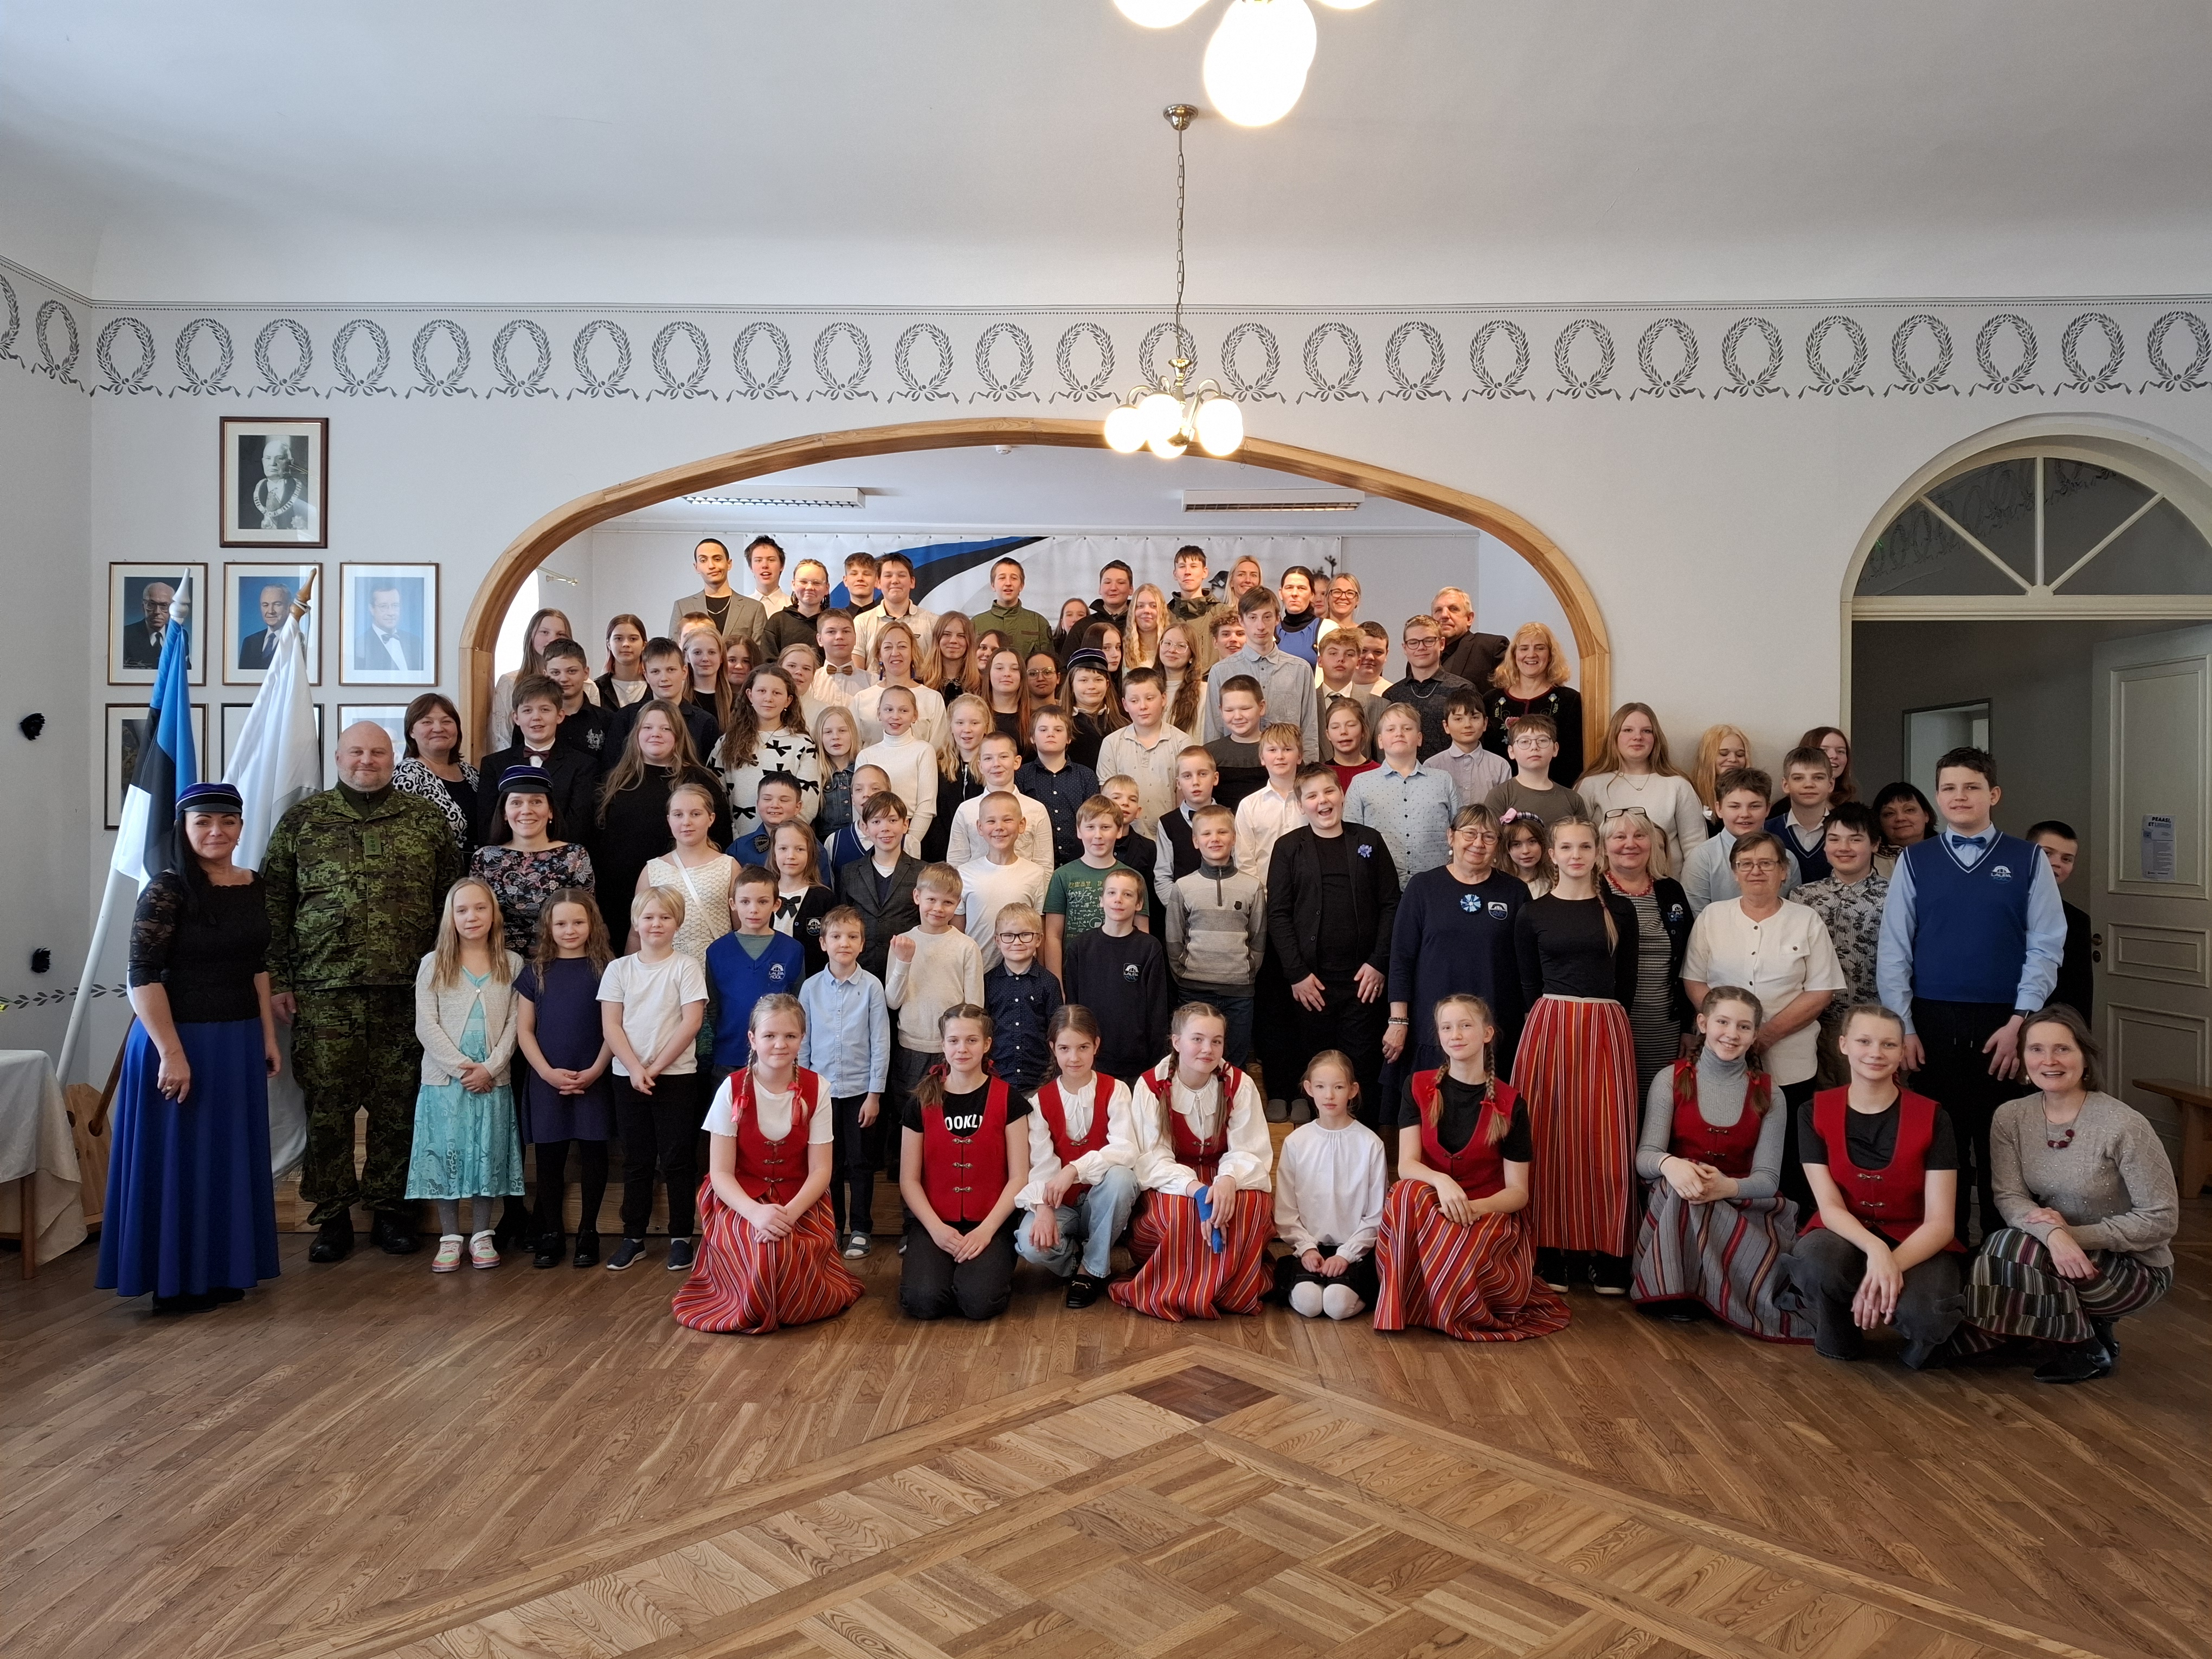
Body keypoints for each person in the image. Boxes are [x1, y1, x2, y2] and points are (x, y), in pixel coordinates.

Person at [265, 723, 465, 1263]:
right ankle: (332, 1217)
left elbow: (450, 905)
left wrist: (445, 981)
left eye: (377, 752)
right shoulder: (303, 821)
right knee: (327, 1109)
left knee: (398, 1108)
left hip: (406, 992)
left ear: (393, 757)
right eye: (356, 751)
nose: (366, 761)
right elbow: (275, 906)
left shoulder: (426, 820)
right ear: (337, 757)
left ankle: (391, 1212)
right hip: (323, 992)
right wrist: (279, 980)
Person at [97, 782, 281, 1310]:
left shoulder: (253, 884)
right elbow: (142, 974)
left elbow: (257, 966)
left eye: (227, 821)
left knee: (224, 1160)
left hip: (237, 1041)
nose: (216, 831)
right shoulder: (167, 888)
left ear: (240, 828)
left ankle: (221, 1271)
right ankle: (174, 1282)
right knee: (178, 1162)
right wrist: (172, 1054)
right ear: (184, 828)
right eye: (204, 822)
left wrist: (267, 1037)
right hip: (177, 1043)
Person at [1876, 747, 2065, 1245]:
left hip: (2006, 1023)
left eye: (1971, 787)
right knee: (1941, 1141)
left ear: (1993, 794)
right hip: (1930, 1022)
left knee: (2004, 1140)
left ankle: (2005, 1253)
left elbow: (2046, 946)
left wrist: (2021, 1021)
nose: (1959, 796)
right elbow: (1894, 949)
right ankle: (1949, 1247)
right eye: (1949, 788)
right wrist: (1904, 1027)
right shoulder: (1915, 861)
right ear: (1938, 798)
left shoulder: (2028, 859)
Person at [1954, 1006, 2177, 1383]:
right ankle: (2034, 1333)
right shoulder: (2010, 1116)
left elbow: (2161, 1220)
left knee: (2012, 1249)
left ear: (2085, 1058)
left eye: (2062, 1049)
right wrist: (2055, 1235)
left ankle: (2083, 1347)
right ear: (2023, 1060)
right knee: (2001, 1244)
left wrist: (2074, 1236)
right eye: (2036, 1049)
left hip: (2133, 1267)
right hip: (2057, 1251)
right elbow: (2009, 1197)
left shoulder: (2124, 1124)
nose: (2049, 1061)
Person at [1774, 1004, 1963, 1368]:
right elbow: (1829, 1208)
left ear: (1902, 1051)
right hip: (1844, 1232)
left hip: (1916, 1237)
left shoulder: (1934, 1117)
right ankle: (1838, 1327)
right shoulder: (1812, 1112)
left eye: (1889, 1045)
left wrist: (1888, 1266)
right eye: (1864, 1041)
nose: (1876, 1053)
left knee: (1928, 1315)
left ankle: (1913, 1340)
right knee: (1815, 1261)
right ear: (1843, 1044)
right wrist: (1876, 1249)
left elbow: (1941, 1224)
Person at [1374, 995, 1570, 1342]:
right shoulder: (1417, 1086)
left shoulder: (1511, 1103)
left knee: (1456, 1254)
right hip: (1432, 1206)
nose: (1456, 1035)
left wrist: (1473, 1208)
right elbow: (1406, 1165)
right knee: (1405, 1192)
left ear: (1487, 1033)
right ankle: (1404, 1305)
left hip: (1487, 1214)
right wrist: (1442, 1181)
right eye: (1447, 1027)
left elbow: (1518, 1193)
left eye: (1465, 1025)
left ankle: (1447, 1309)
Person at [673, 994, 867, 1334]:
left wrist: (788, 1215)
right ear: (752, 1039)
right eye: (770, 1035)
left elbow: (821, 1171)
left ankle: (795, 1304)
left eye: (790, 1036)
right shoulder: (731, 1089)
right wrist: (756, 1214)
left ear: (802, 1038)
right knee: (762, 1250)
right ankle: (745, 1305)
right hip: (740, 1198)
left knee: (785, 1250)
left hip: (799, 1198)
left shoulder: (818, 1088)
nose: (780, 1044)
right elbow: (720, 1173)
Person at [1630, 987, 1810, 1340]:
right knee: (1684, 1189)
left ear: (1755, 1035)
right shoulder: (1670, 1079)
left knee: (1700, 1197)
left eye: (1744, 1027)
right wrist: (1670, 1164)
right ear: (1703, 1024)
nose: (1732, 1034)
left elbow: (1768, 1179)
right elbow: (1645, 1156)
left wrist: (1726, 1187)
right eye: (1723, 1022)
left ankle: (1709, 1290)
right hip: (1677, 1202)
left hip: (1743, 1202)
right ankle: (1675, 1289)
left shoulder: (1770, 1094)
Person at [1683, 828, 1845, 1213]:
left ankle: (1787, 1229)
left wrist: (1765, 1036)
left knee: (1789, 1155)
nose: (1756, 871)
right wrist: (1729, 1034)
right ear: (1734, 872)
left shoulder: (1806, 920)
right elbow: (1695, 981)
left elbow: (1821, 990)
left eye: (1766, 863)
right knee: (1728, 1145)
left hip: (1791, 1060)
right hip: (1722, 1062)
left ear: (1784, 871)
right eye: (1746, 864)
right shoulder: (1712, 918)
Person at [1512, 815, 1639, 1295]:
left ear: (1598, 852)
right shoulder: (1533, 912)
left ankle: (1607, 1253)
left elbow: (1627, 982)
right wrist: (1555, 1021)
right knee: (1548, 1137)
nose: (1576, 856)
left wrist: (1603, 1021)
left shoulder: (1620, 910)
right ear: (1552, 854)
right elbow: (1528, 981)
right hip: (1549, 1028)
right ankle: (1550, 1251)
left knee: (1608, 1140)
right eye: (1566, 848)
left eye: (1585, 847)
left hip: (1606, 1026)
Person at [1109, 1002, 1275, 1321]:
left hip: (1225, 1173)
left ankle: (1232, 1291)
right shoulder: (1151, 1085)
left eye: (1216, 1041)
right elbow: (1151, 1157)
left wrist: (1228, 1180)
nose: (1207, 1049)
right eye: (1197, 1039)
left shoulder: (1238, 1084)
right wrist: (1196, 1190)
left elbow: (1250, 1149)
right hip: (1172, 1179)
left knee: (1253, 1205)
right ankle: (1182, 1292)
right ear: (1176, 1041)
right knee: (1181, 1214)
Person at [1266, 766, 1399, 1127]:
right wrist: (1296, 974)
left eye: (1328, 792)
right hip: (1312, 984)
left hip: (1363, 981)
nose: (1322, 801)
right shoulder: (1288, 848)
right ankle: (1321, 1139)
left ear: (1342, 795)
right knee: (1318, 1064)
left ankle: (1364, 1141)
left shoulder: (1369, 840)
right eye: (1312, 796)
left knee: (1361, 1064)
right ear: (1301, 805)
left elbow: (1391, 904)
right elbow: (1278, 914)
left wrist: (1379, 962)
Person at [405, 878, 526, 1274]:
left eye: (480, 908)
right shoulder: (433, 962)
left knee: (486, 1153)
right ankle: (450, 1236)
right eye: (462, 910)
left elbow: (515, 1024)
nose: (471, 917)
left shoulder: (512, 963)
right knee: (448, 1153)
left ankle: (481, 1234)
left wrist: (490, 1068)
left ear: (494, 914)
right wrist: (462, 1069)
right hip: (445, 1080)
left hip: (492, 1078)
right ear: (451, 917)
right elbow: (426, 1025)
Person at [599, 887, 710, 1274]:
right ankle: (633, 1237)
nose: (656, 924)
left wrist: (656, 1067)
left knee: (678, 1159)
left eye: (665, 917)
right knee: (636, 1160)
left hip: (676, 1077)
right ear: (636, 922)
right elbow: (611, 1025)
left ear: (677, 923)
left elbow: (691, 1022)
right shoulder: (619, 970)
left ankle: (681, 1237)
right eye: (648, 917)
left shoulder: (686, 967)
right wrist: (635, 1068)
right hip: (628, 1078)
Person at [898, 1005, 1030, 1321]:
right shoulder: (921, 1101)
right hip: (935, 1222)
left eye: (972, 1040)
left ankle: (978, 1277)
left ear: (986, 1045)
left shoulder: (1009, 1099)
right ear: (942, 1045)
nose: (962, 1049)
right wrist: (936, 1230)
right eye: (954, 1041)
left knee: (979, 1303)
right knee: (923, 1301)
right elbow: (909, 1180)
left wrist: (986, 1231)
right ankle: (944, 1274)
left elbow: (1019, 1177)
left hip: (990, 1223)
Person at [1387, 804, 1530, 1083]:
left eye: (1489, 837)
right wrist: (1398, 1020)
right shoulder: (1422, 887)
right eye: (1470, 834)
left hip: (1495, 1027)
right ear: (1451, 836)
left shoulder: (1515, 892)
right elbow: (1401, 959)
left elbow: (1527, 964)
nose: (1478, 843)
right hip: (1433, 1025)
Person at [514, 891, 615, 1269]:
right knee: (549, 1159)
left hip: (595, 1075)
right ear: (548, 927)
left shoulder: (608, 969)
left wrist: (597, 1069)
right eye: (561, 923)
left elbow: (616, 1027)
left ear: (593, 925)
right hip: (547, 1079)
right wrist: (546, 1073)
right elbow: (525, 1030)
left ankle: (589, 1232)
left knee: (594, 1155)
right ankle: (551, 1232)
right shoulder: (535, 972)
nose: (569, 930)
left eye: (578, 922)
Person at [1014, 1006, 1139, 1308]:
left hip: (1102, 1201)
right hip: (1063, 1204)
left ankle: (1090, 1270)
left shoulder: (1117, 1090)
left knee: (1122, 1178)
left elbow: (1125, 1149)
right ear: (1053, 1049)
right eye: (1065, 1049)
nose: (1074, 1058)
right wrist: (1043, 1208)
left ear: (1096, 1045)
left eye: (1083, 1047)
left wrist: (1073, 1169)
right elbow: (1041, 1166)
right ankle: (1076, 1260)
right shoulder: (1039, 1102)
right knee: (1030, 1243)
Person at [798, 906, 891, 1257]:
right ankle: (833, 1226)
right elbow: (803, 1044)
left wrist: (875, 1095)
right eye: (836, 937)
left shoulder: (872, 987)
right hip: (821, 1094)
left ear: (862, 944)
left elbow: (880, 1043)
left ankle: (861, 1228)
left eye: (853, 937)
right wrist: (804, 1092)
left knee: (861, 1162)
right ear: (823, 943)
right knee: (829, 1165)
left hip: (860, 1093)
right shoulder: (810, 988)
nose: (844, 943)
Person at [1270, 1050, 1387, 1320]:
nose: (1329, 1096)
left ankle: (1351, 1287)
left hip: (1355, 1251)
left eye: (1338, 1087)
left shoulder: (1370, 1144)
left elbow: (1376, 1215)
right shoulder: (1297, 1142)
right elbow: (1286, 1210)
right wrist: (1306, 1248)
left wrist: (1346, 1255)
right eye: (1321, 1087)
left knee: (1336, 1305)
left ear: (1353, 1090)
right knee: (1310, 1303)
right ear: (1309, 1089)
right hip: (1310, 1250)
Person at [592, 701, 731, 922]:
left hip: (683, 899)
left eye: (666, 728)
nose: (655, 734)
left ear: (678, 735)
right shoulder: (616, 781)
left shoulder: (701, 781)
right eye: (647, 727)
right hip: (619, 899)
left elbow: (721, 838)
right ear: (636, 734)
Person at [884, 864, 987, 1146]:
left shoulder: (966, 947)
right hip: (911, 1048)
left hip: (951, 1051)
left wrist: (965, 1045)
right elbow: (892, 1001)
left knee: (948, 1118)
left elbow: (974, 1009)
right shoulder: (902, 943)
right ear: (917, 896)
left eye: (948, 902)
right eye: (931, 899)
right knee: (910, 1116)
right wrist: (904, 962)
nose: (938, 909)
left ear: (958, 904)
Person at [1793, 802, 1889, 1088]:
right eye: (1834, 839)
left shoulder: (1895, 896)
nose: (1843, 848)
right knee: (1816, 1105)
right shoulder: (1803, 897)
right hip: (1810, 1024)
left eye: (1855, 839)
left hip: (1873, 1025)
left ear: (1875, 844)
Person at [1165, 803, 1266, 1070]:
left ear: (1234, 838)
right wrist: (1184, 973)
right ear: (1196, 841)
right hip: (1194, 990)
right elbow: (1174, 939)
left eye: (1222, 832)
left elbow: (1258, 937)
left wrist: (1246, 972)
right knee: (1194, 1062)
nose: (1215, 839)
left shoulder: (1252, 887)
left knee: (1235, 1064)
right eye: (1207, 834)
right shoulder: (1183, 887)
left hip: (1239, 993)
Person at [1062, 867, 1173, 1083]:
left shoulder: (1150, 948)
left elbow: (1157, 1012)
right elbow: (1073, 1009)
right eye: (1112, 893)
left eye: (1127, 894)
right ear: (1101, 900)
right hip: (1091, 1061)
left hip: (1136, 1063)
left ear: (1139, 904)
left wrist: (1156, 1065)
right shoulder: (1081, 947)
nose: (1118, 900)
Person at [471, 768, 595, 955]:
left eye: (536, 802)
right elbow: (475, 919)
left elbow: (586, 919)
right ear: (504, 813)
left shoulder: (575, 856)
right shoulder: (485, 859)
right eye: (516, 802)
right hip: (499, 960)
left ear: (550, 811)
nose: (526, 810)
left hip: (559, 959)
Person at [704, 865, 806, 1090]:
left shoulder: (792, 950)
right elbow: (713, 1008)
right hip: (729, 1056)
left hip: (777, 1057)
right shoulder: (717, 951)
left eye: (762, 902)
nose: (753, 910)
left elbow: (799, 1005)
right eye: (745, 902)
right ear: (733, 904)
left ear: (776, 904)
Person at [475, 677, 600, 853]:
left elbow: (579, 826)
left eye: (545, 710)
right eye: (527, 710)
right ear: (516, 718)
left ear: (560, 716)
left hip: (563, 858)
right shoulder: (494, 765)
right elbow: (488, 824)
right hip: (505, 857)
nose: (536, 717)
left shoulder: (584, 765)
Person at [1575, 703, 1708, 867]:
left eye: (1647, 731)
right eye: (1628, 730)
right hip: (1605, 880)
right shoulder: (1591, 785)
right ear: (1614, 736)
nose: (1638, 737)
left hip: (1667, 880)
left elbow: (1695, 847)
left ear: (1656, 738)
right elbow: (1578, 843)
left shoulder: (1678, 785)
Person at [1203, 586, 1320, 762]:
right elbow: (1213, 732)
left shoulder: (1300, 669)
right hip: (1235, 766)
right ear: (1242, 621)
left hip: (1286, 766)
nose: (1261, 626)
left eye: (1267, 617)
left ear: (1278, 619)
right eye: (1253, 618)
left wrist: (1309, 772)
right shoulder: (1221, 671)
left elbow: (1309, 732)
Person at [1345, 702, 1460, 880]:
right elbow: (1350, 838)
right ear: (1380, 741)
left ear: (1420, 738)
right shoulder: (1361, 783)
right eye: (1391, 729)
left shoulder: (1444, 781)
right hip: (1378, 884)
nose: (1399, 733)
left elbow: (1461, 831)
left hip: (1436, 883)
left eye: (1407, 728)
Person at [1043, 795, 1141, 980]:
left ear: (1119, 830)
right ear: (1079, 831)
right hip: (1074, 975)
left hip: (1120, 974)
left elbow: (1142, 935)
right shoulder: (1062, 876)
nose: (1098, 836)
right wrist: (1056, 985)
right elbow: (1053, 936)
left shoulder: (1133, 878)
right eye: (1090, 827)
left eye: (1105, 827)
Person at [718, 665, 821, 840]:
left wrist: (784, 839)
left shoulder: (803, 744)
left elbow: (808, 800)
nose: (768, 698)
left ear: (788, 700)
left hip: (786, 844)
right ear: (750, 695)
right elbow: (718, 794)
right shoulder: (728, 743)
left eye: (777, 693)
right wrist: (738, 841)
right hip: (738, 842)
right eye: (762, 691)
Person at [1681, 768, 1802, 914]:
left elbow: (1794, 913)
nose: (1745, 814)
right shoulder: (1702, 858)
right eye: (1735, 806)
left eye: (1755, 806)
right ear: (1719, 809)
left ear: (1768, 808)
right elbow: (1697, 916)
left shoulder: (1787, 859)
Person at [637, 780, 735, 959]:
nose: (686, 822)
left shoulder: (729, 866)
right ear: (669, 820)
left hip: (716, 962)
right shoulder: (653, 870)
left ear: (711, 818)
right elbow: (637, 933)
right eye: (678, 815)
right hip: (667, 964)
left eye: (695, 814)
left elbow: (742, 928)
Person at [957, 793, 1049, 973]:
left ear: (1021, 825)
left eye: (1007, 820)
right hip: (975, 972)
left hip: (1022, 974)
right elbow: (957, 933)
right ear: (980, 827)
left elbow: (1041, 931)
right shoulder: (964, 873)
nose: (999, 827)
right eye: (991, 821)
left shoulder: (1035, 874)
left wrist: (1042, 974)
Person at [1484, 622, 1583, 786]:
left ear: (1551, 655)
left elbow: (1574, 759)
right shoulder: (1491, 700)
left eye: (1540, 648)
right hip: (1500, 792)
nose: (1531, 654)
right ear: (1514, 655)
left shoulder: (1569, 700)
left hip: (1552, 791)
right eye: (1524, 649)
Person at [839, 790, 922, 983]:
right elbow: (843, 923)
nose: (885, 828)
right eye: (876, 822)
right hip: (861, 973)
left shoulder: (923, 872)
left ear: (905, 824)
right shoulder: (849, 872)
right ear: (866, 828)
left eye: (892, 820)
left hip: (909, 972)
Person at [982, 901, 1062, 1096]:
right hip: (998, 1076)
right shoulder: (988, 982)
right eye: (1008, 936)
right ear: (997, 940)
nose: (1017, 942)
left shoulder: (1049, 982)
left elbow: (1057, 1031)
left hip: (1040, 1077)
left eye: (1025, 935)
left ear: (1039, 939)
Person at [1095, 665, 1186, 835]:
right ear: (1125, 704)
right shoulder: (1112, 743)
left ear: (1163, 698)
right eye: (1134, 701)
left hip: (1168, 836)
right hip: (1124, 837)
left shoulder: (1182, 742)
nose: (1143, 706)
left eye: (1150, 698)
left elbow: (1184, 796)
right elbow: (1107, 800)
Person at [944, 730, 1051, 868]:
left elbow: (1044, 864)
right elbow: (956, 864)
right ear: (980, 766)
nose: (996, 764)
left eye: (1003, 757)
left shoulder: (1036, 810)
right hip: (977, 882)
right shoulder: (966, 810)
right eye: (988, 758)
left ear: (1016, 762)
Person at [855, 683, 941, 855]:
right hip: (875, 838)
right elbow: (859, 806)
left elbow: (927, 805)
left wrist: (908, 843)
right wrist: (872, 841)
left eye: (904, 710)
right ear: (879, 714)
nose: (895, 716)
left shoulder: (924, 750)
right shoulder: (866, 755)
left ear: (915, 715)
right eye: (889, 710)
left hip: (909, 837)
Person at [391, 691, 480, 853]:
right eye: (427, 722)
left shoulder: (471, 773)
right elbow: (399, 836)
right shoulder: (406, 774)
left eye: (447, 721)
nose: (438, 729)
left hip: (480, 865)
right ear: (411, 732)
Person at [606, 637, 721, 759]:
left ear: (684, 672)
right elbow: (612, 767)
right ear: (646, 675)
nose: (664, 678)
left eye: (671, 670)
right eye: (655, 672)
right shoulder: (626, 718)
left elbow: (708, 769)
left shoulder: (705, 722)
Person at [1016, 705, 1099, 868]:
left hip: (1079, 861)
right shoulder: (1021, 776)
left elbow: (1093, 820)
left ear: (1069, 738)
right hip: (1034, 862)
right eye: (1043, 730)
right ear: (1032, 737)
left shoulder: (1086, 776)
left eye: (1058, 730)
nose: (1051, 734)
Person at [2027, 820, 2095, 1020]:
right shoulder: (2000, 907)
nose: (2056, 863)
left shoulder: (2078, 921)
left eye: (2067, 859)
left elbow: (2080, 991)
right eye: (2047, 853)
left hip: (2048, 1023)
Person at [486, 607, 571, 753]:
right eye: (545, 632)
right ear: (531, 636)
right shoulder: (509, 683)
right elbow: (501, 738)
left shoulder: (586, 686)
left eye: (560, 634)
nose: (552, 639)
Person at [852, 620, 946, 750]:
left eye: (902, 647)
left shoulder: (933, 699)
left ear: (913, 652)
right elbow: (854, 748)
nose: (895, 653)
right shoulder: (862, 699)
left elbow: (939, 749)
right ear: (879, 655)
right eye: (888, 647)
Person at [1483, 715, 1589, 827]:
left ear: (1555, 749)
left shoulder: (1573, 800)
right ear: (1511, 751)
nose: (1534, 747)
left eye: (1542, 740)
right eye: (1525, 741)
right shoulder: (1500, 796)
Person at [922, 692, 991, 864]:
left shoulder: (993, 766)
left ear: (986, 726)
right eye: (960, 723)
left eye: (974, 723)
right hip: (941, 855)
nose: (967, 730)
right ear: (951, 726)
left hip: (983, 854)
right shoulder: (937, 764)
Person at [1232, 722, 1305, 881]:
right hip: (1265, 890)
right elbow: (1244, 861)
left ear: (1299, 757)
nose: (1280, 756)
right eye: (1272, 750)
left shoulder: (1312, 802)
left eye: (1287, 749)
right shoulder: (1249, 806)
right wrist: (1258, 892)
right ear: (1262, 758)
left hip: (1309, 890)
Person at [667, 536, 768, 650]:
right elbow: (674, 651)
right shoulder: (683, 607)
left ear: (729, 563)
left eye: (717, 559)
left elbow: (760, 652)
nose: (711, 566)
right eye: (703, 560)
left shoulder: (754, 608)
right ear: (696, 567)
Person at [1150, 746, 1220, 906]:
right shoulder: (1168, 824)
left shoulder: (1231, 819)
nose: (1195, 782)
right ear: (1178, 783)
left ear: (1215, 778)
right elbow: (1163, 877)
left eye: (1202, 774)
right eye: (1187, 776)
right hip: (1184, 910)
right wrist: (1182, 909)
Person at [768, 821, 838, 977]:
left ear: (811, 854)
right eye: (783, 848)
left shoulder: (824, 898)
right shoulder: (763, 895)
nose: (791, 856)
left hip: (812, 981)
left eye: (799, 849)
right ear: (774, 853)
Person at [1764, 745, 1836, 883]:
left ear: (1831, 784)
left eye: (1818, 778)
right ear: (1786, 785)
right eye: (1798, 778)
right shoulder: (1766, 831)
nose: (1809, 784)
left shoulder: (1846, 830)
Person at [1431, 689, 1512, 809]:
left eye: (1474, 718)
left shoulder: (1500, 766)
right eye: (1458, 719)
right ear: (1446, 726)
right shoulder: (1433, 766)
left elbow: (1505, 810)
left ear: (1485, 723)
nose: (1468, 725)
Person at [853, 551, 936, 664]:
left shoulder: (933, 623)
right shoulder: (862, 622)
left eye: (901, 576)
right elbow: (857, 671)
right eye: (888, 576)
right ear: (878, 582)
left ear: (912, 582)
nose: (895, 581)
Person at [544, 639, 614, 767]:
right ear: (545, 675)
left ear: (586, 673)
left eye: (572, 671)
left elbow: (613, 769)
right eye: (555, 673)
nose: (564, 679)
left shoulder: (608, 721)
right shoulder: (535, 722)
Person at [975, 555, 1055, 665]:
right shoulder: (976, 624)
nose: (1008, 583)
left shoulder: (1038, 623)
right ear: (993, 585)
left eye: (1014, 578)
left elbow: (1048, 664)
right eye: (1002, 578)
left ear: (1022, 585)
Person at [1204, 675, 1269, 809]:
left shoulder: (1280, 751)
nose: (1238, 716)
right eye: (1229, 710)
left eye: (1245, 709)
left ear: (1261, 707)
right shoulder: (1208, 754)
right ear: (1221, 711)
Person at [763, 558, 834, 658]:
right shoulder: (778, 622)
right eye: (803, 582)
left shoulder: (833, 624)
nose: (809, 588)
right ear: (793, 585)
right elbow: (768, 663)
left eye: (817, 583)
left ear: (827, 588)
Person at [1065, 650, 1124, 770]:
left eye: (1098, 680)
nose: (1092, 686)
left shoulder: (1123, 726)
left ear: (1107, 684)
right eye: (1084, 680)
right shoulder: (1061, 726)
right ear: (1072, 685)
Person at [353, 577, 425, 677]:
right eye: (384, 606)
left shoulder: (415, 642)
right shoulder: (359, 646)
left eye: (395, 605)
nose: (391, 613)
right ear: (372, 609)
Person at [812, 704, 864, 840]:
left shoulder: (863, 768)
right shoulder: (816, 772)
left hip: (862, 839)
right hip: (825, 842)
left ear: (853, 733)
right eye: (828, 732)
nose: (835, 737)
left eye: (842, 731)